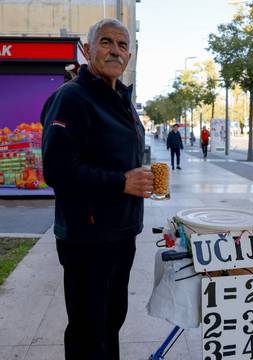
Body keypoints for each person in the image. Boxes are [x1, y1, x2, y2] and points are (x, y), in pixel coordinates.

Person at [40, 18, 153, 360]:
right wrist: (122, 182)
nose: (114, 50)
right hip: (87, 238)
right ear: (88, 50)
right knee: (88, 332)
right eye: (105, 42)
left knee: (110, 324)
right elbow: (57, 170)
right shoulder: (72, 98)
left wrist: (139, 178)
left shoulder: (121, 99)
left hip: (121, 232)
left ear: (128, 57)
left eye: (121, 45)